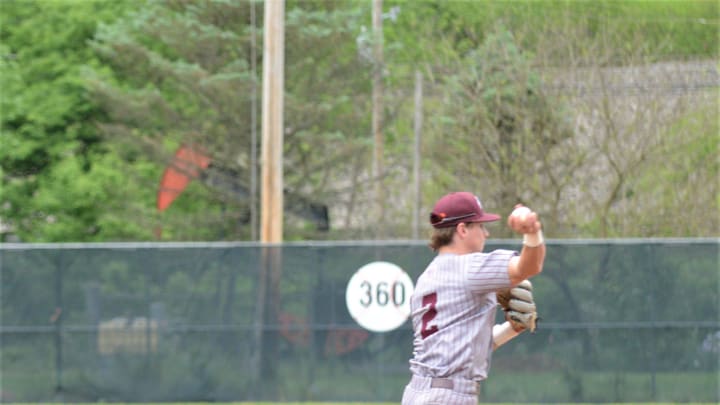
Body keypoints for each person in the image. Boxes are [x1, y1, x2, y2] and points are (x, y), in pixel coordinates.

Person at [401, 191, 546, 404]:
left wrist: (510, 329)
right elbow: (530, 266)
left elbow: (459, 349)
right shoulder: (469, 267)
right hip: (449, 396)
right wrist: (533, 232)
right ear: (462, 229)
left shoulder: (426, 279)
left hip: (418, 392)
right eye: (480, 226)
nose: (485, 233)